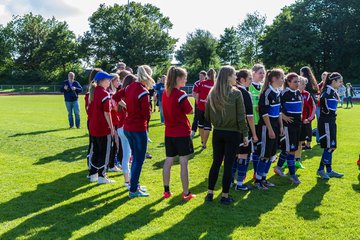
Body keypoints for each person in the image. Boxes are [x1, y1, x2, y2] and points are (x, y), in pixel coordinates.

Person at [204, 66, 249, 205]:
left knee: (216, 163)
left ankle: (210, 193)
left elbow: (206, 115)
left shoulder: (212, 92)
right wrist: (245, 134)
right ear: (228, 76)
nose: (236, 77)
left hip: (217, 132)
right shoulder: (236, 93)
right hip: (233, 132)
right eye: (234, 75)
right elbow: (241, 116)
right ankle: (224, 196)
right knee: (228, 164)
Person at [119, 65, 155, 197]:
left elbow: (116, 97)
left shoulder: (130, 87)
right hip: (138, 129)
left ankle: (135, 185)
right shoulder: (143, 91)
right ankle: (133, 189)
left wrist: (128, 108)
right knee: (138, 160)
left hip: (128, 127)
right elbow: (147, 114)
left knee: (135, 158)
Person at [162, 67, 196, 201]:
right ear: (178, 79)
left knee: (168, 160)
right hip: (181, 132)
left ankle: (166, 191)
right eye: (184, 78)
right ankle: (186, 192)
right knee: (183, 162)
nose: (186, 80)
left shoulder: (165, 93)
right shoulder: (180, 94)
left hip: (169, 132)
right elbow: (190, 110)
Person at [254, 69, 284, 190]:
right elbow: (264, 114)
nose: (283, 80)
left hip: (276, 126)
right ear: (274, 79)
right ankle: (258, 180)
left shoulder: (277, 92)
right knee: (264, 155)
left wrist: (281, 126)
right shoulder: (267, 93)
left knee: (271, 155)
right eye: (281, 78)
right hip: (267, 127)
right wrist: (270, 129)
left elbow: (279, 112)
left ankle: (264, 179)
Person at [232, 69, 258, 191]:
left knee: (233, 155)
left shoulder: (230, 91)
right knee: (244, 155)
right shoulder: (244, 93)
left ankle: (230, 181)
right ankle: (240, 184)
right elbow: (250, 116)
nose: (251, 82)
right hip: (242, 130)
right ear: (242, 80)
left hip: (230, 129)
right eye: (250, 79)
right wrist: (253, 133)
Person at [273, 73, 302, 184]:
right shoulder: (284, 93)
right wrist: (283, 116)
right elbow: (277, 107)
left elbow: (300, 107)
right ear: (288, 82)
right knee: (291, 150)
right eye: (295, 82)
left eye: (298, 81)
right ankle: (293, 175)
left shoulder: (298, 93)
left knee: (288, 148)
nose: (297, 84)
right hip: (288, 126)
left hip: (297, 125)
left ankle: (278, 167)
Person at [88, 71, 116, 184]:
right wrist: (111, 127)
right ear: (101, 81)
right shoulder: (104, 93)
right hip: (103, 127)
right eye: (107, 79)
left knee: (96, 151)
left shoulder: (92, 92)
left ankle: (93, 174)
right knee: (105, 152)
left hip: (93, 126)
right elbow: (106, 113)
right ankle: (102, 176)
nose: (109, 81)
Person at [317, 72, 344, 179]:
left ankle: (329, 170)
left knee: (332, 146)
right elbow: (323, 98)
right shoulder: (328, 91)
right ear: (333, 81)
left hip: (331, 121)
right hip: (326, 122)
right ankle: (320, 169)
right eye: (340, 81)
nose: (341, 84)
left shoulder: (333, 91)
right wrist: (326, 111)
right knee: (330, 146)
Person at [113, 74, 137, 189]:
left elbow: (114, 99)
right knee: (132, 156)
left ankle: (127, 180)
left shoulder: (122, 93)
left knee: (126, 156)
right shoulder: (129, 94)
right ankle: (131, 181)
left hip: (120, 127)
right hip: (128, 127)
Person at [250, 64, 265, 177]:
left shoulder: (263, 87)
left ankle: (256, 172)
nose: (262, 75)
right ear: (253, 73)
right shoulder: (249, 87)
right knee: (250, 149)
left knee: (258, 148)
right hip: (251, 122)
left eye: (263, 73)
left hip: (261, 122)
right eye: (260, 72)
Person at [197, 69, 216, 149]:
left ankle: (202, 140)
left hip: (201, 106)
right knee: (207, 126)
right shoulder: (215, 85)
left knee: (201, 125)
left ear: (207, 75)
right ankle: (204, 144)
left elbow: (197, 94)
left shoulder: (201, 83)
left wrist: (199, 102)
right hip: (210, 108)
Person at [107, 74, 122, 173]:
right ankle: (111, 165)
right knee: (114, 143)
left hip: (116, 120)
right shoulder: (110, 93)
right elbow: (115, 107)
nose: (119, 82)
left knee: (116, 142)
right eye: (117, 80)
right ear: (112, 81)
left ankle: (112, 163)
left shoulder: (114, 92)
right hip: (111, 121)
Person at [191, 71, 207, 138]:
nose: (200, 77)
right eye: (199, 76)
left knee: (204, 117)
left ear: (205, 76)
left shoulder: (207, 83)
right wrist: (198, 101)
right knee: (197, 116)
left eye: (202, 76)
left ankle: (202, 131)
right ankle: (193, 131)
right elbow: (194, 93)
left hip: (206, 103)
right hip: (198, 103)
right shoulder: (197, 83)